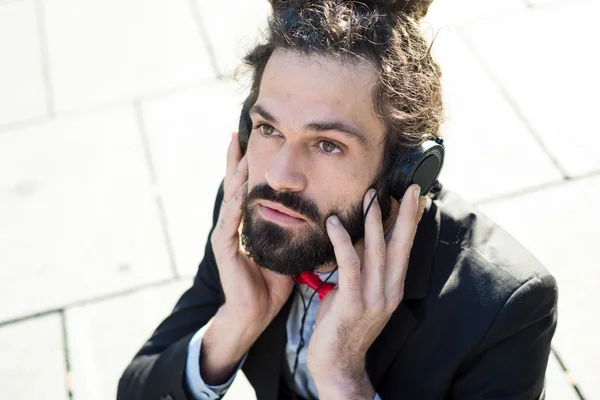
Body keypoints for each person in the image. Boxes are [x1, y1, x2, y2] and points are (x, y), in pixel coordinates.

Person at [117, 1, 558, 399]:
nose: (278, 176)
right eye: (269, 129)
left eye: (327, 144)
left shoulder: (505, 309)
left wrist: (344, 379)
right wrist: (235, 322)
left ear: (407, 171)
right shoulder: (254, 207)